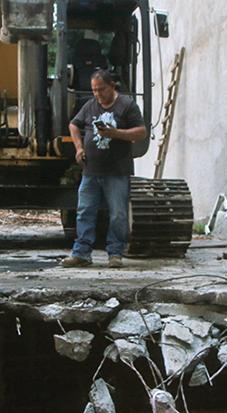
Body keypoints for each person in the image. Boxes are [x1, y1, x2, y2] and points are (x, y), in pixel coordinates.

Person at [62, 69, 148, 269]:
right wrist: (79, 148)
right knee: (84, 211)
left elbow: (141, 131)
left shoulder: (127, 105)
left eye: (101, 90)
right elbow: (74, 125)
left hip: (117, 170)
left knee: (118, 213)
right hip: (91, 170)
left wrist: (115, 133)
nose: (98, 94)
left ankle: (115, 253)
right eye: (94, 90)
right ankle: (81, 253)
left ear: (112, 86)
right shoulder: (91, 105)